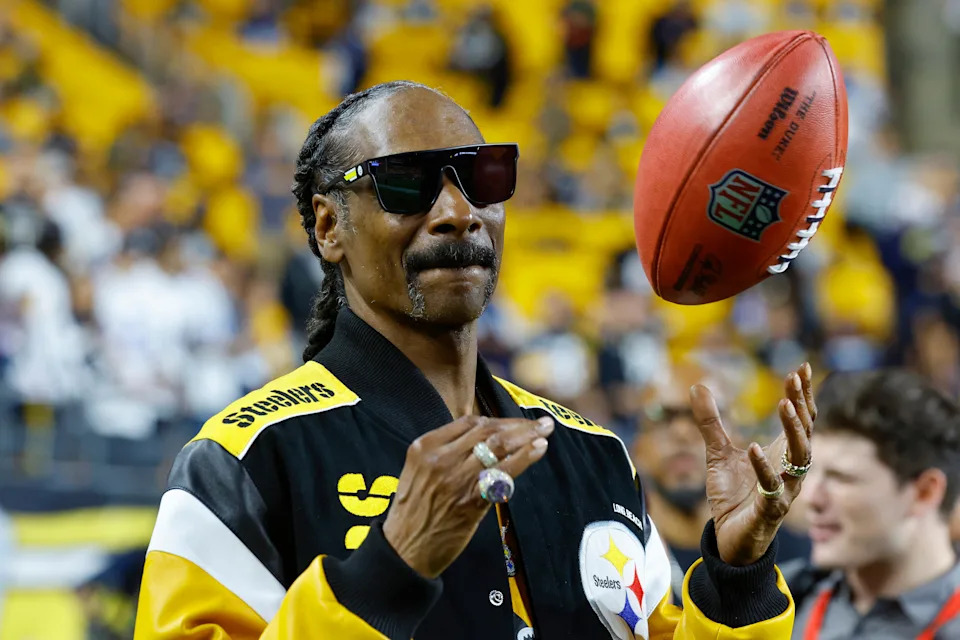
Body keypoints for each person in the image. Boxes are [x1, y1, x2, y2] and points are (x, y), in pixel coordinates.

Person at [134, 81, 817, 639]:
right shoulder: (244, 459)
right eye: (407, 184)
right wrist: (388, 571)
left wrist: (736, 579)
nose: (458, 211)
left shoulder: (595, 456)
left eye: (484, 178)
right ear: (328, 225)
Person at [785, 370, 960, 639]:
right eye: (812, 473)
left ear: (924, 493)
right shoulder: (778, 603)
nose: (810, 498)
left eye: (841, 478)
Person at [632, 361, 812, 601]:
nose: (682, 433)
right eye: (662, 416)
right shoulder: (620, 555)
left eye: (706, 416)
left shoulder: (794, 558)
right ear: (638, 446)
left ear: (739, 438)